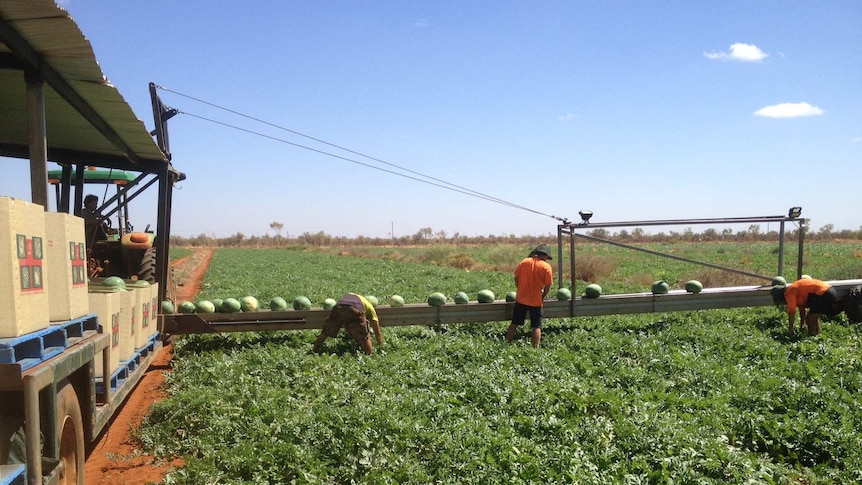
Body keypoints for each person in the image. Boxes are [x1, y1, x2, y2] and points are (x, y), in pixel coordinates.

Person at [507, 244, 554, 347]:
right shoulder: (546, 267)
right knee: (536, 326)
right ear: (545, 256)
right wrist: (542, 296)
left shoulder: (524, 262)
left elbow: (516, 278)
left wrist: (520, 289)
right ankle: (535, 348)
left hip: (521, 299)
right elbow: (547, 286)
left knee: (514, 323)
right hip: (536, 301)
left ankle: (507, 343)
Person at [313, 293, 383, 355]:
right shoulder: (370, 307)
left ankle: (315, 349)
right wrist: (380, 344)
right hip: (354, 309)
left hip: (339, 307)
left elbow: (347, 321)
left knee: (326, 331)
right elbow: (377, 330)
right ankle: (369, 355)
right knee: (365, 336)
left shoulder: (353, 296)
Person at [772, 278, 838, 336]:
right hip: (828, 291)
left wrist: (790, 329)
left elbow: (791, 312)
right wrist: (802, 325)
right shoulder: (796, 291)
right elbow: (802, 309)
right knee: (813, 317)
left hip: (824, 293)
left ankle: (813, 337)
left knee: (810, 319)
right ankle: (816, 335)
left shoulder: (789, 292)